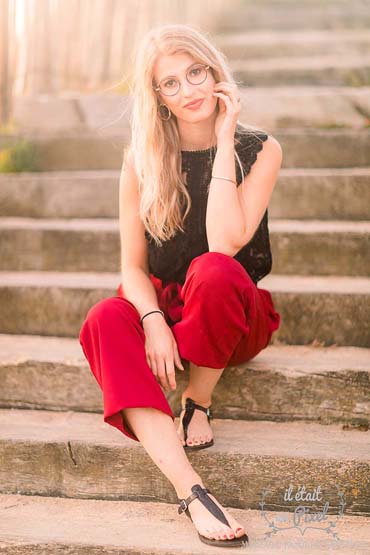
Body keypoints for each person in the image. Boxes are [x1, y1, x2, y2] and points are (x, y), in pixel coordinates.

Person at [79, 23, 282, 548]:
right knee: (104, 317)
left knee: (212, 270)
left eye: (195, 73)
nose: (188, 90)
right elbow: (132, 267)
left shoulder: (260, 149)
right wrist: (151, 321)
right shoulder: (142, 158)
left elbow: (223, 242)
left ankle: (198, 398)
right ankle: (192, 491)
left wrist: (222, 139)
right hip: (168, 306)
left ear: (215, 72)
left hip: (234, 309)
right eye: (170, 83)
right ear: (158, 98)